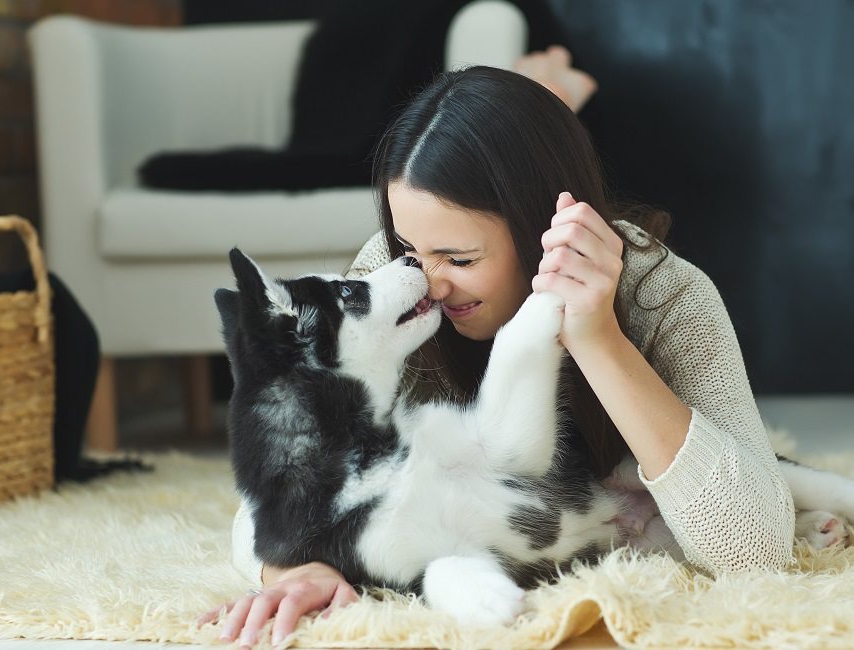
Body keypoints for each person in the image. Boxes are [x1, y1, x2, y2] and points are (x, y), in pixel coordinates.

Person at [203, 48, 794, 648]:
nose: (427, 282)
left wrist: (595, 335)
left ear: (542, 230)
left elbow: (754, 545)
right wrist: (298, 566)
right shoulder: (394, 280)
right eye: (409, 247)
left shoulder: (663, 294)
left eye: (460, 260)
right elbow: (278, 488)